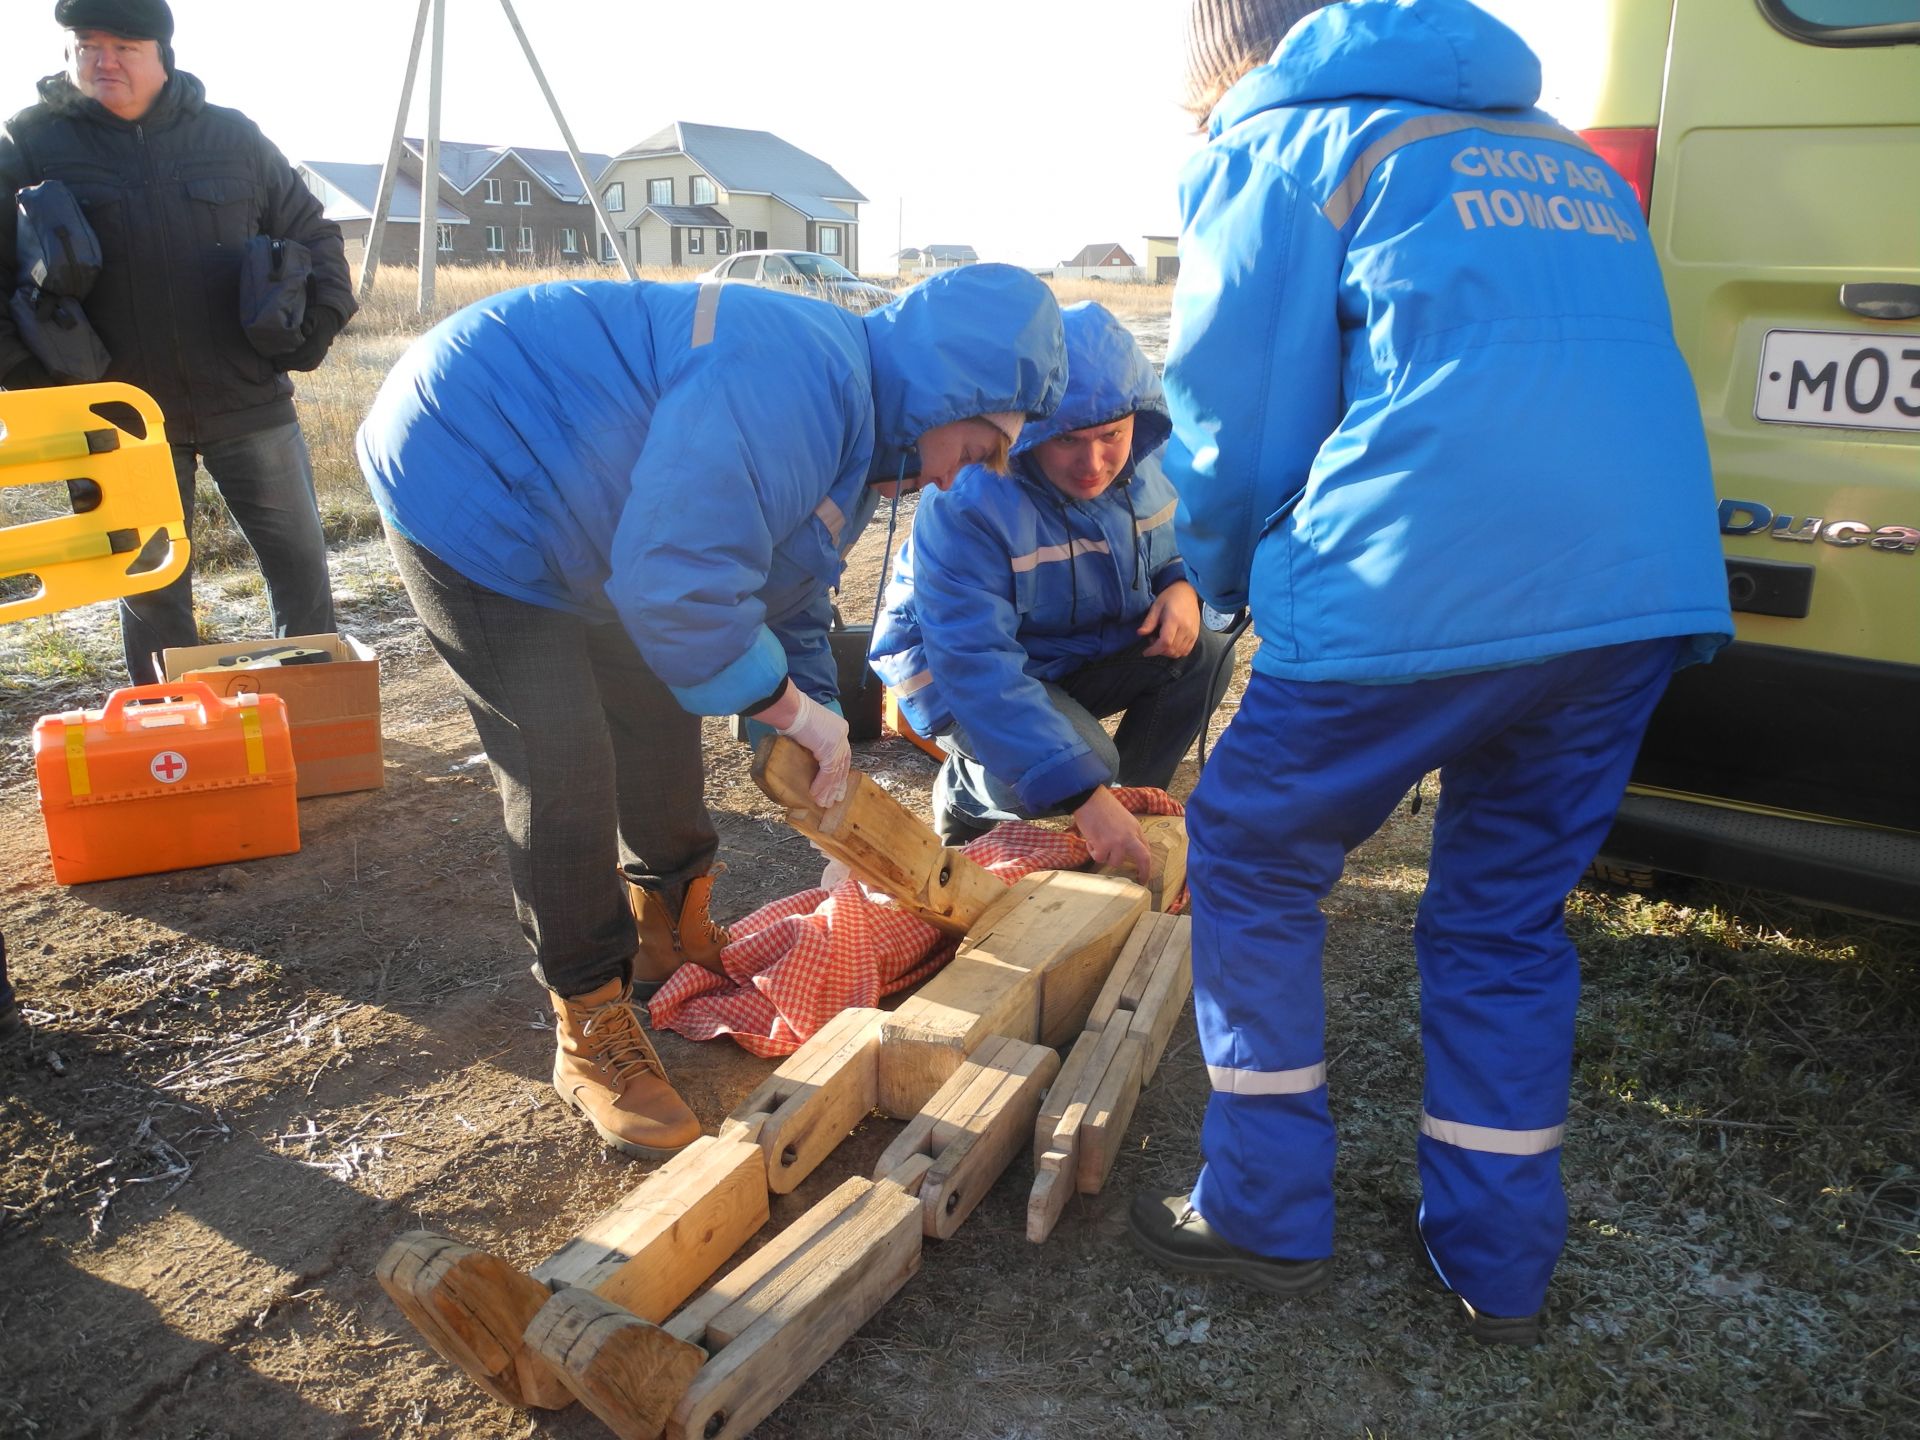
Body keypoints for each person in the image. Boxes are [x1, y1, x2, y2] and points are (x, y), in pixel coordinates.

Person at [1128, 0, 1734, 1344]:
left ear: (1231, 65)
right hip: (1636, 584)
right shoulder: (1564, 152)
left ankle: (1263, 1210)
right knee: (1504, 916)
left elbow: (1234, 421)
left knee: (1254, 852)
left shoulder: (1284, 140)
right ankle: (1495, 1264)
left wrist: (1224, 587)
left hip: (1420, 570)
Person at [357, 265, 1065, 1161]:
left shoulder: (851, 434)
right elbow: (678, 591)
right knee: (562, 751)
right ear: (942, 393)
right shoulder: (803, 382)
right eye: (971, 451)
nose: (954, 480)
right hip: (471, 465)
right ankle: (589, 1016)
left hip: (596, 514)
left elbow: (784, 593)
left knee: (655, 706)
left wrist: (818, 758)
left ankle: (668, 929)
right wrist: (780, 705)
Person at [0, 0, 354, 684]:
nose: (103, 60)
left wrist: (317, 325)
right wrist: (43, 388)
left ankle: (316, 719)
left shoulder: (232, 138)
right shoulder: (30, 145)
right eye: (87, 44)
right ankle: (176, 732)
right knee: (151, 592)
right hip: (116, 423)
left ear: (162, 53)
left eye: (124, 46)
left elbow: (314, 234)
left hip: (249, 404)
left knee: (301, 574)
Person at [870, 301, 1235, 878]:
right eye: (1068, 441)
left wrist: (1182, 587)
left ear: (1138, 420)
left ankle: (1128, 817)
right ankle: (969, 796)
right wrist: (1085, 793)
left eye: (1112, 435)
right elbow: (977, 665)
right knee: (1088, 763)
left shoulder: (1153, 462)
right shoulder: (970, 501)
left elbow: (1179, 545)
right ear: (1030, 431)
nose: (1094, 463)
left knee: (1203, 656)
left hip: (1069, 649)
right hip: (961, 677)